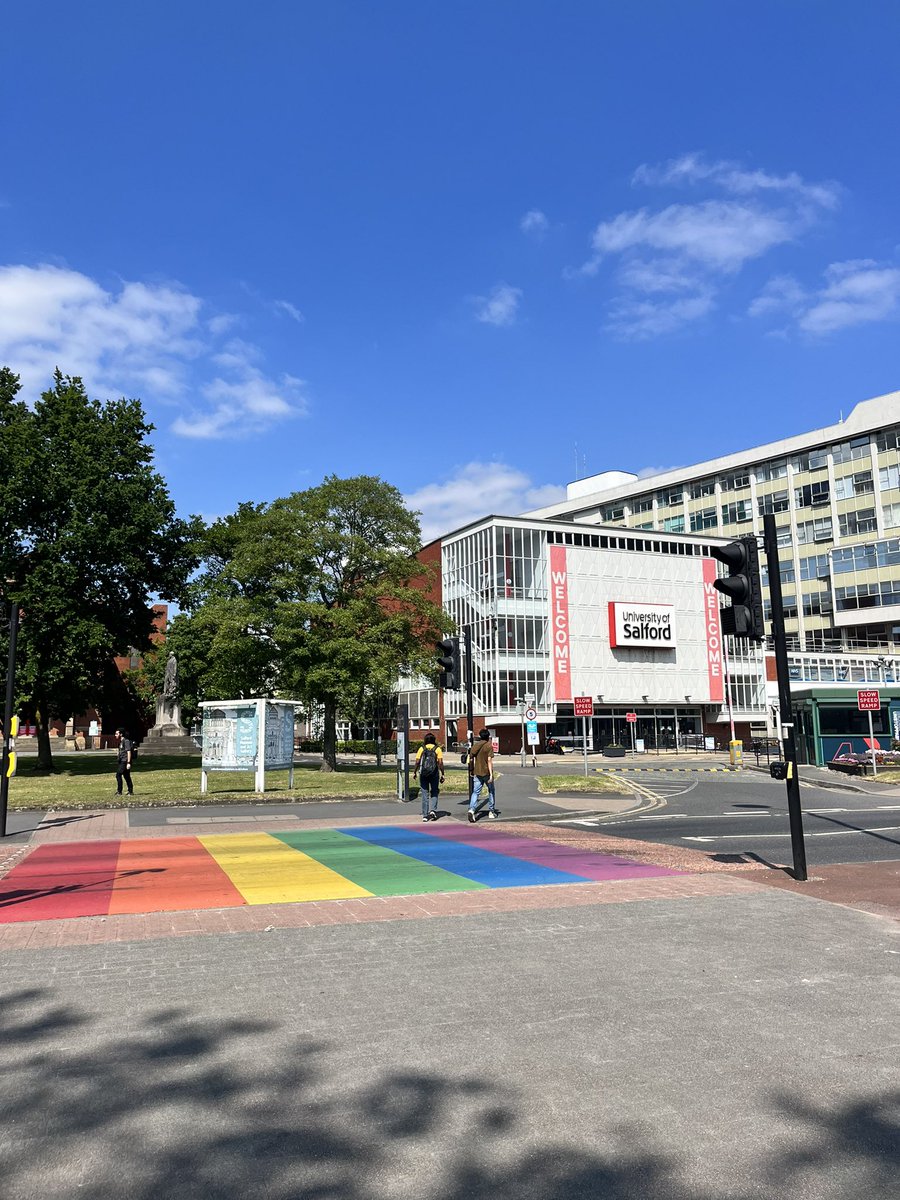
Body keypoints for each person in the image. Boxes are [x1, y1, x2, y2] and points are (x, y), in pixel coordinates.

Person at [413, 732, 444, 821]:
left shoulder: (421, 748)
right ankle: (433, 810)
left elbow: (417, 761)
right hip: (434, 773)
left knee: (424, 793)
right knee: (434, 791)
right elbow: (440, 763)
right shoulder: (437, 749)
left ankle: (425, 815)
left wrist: (414, 772)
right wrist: (443, 774)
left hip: (423, 774)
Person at [467, 728, 497, 822]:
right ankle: (491, 811)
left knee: (476, 792)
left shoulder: (475, 746)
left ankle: (472, 810)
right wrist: (491, 774)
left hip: (477, 772)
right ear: (488, 736)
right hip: (486, 773)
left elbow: (471, 757)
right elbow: (489, 760)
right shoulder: (488, 746)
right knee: (491, 791)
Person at [115, 727, 135, 796]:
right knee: (126, 776)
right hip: (122, 761)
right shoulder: (121, 742)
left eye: (117, 734)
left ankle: (119, 791)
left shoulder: (126, 741)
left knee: (118, 775)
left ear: (121, 734)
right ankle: (130, 791)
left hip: (125, 761)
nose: (115, 735)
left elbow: (128, 752)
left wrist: (128, 763)